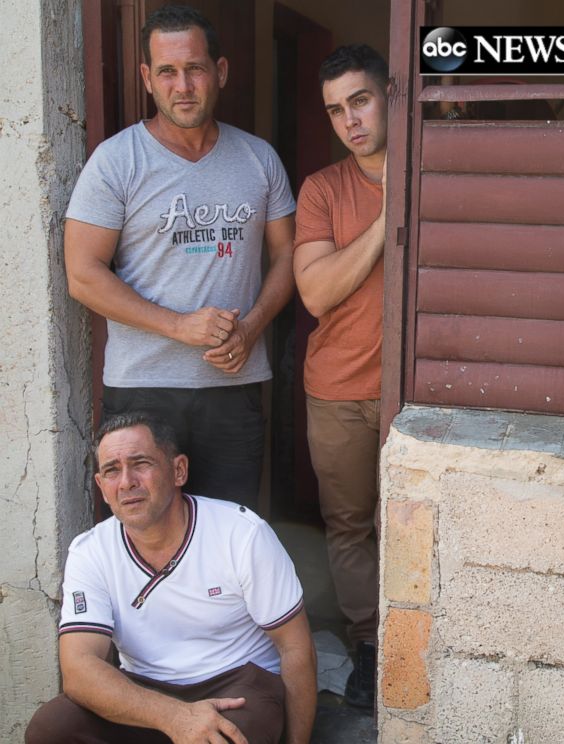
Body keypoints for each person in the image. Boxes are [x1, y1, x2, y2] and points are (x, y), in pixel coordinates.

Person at [64, 5, 296, 508]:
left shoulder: (259, 158)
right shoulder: (116, 161)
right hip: (143, 388)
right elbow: (82, 276)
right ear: (148, 78)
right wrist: (178, 326)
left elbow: (288, 256)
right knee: (143, 530)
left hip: (234, 385)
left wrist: (253, 326)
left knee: (229, 530)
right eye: (167, 71)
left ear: (221, 72)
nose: (183, 85)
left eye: (194, 68)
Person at [24, 413, 316, 744]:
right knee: (51, 727)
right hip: (145, 687)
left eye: (141, 463)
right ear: (102, 488)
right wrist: (175, 717)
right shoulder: (90, 551)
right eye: (112, 471)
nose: (127, 481)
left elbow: (295, 647)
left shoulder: (242, 534)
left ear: (178, 470)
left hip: (237, 686)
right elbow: (78, 669)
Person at [292, 43, 389, 710]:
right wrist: (389, 220)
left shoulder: (437, 173)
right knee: (351, 526)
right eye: (336, 109)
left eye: (360, 100)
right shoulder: (323, 190)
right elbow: (317, 292)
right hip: (338, 389)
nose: (350, 119)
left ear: (389, 96)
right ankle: (370, 647)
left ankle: (421, 639)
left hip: (418, 394)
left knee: (414, 523)